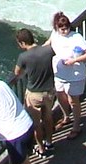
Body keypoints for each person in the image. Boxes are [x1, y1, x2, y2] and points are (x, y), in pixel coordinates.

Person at [46, 11, 86, 138]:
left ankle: (76, 126)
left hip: (74, 74)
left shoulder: (76, 37)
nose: (65, 31)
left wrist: (74, 60)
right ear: (56, 27)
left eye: (66, 28)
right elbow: (47, 44)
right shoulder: (55, 34)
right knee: (60, 96)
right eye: (62, 29)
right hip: (59, 73)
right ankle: (66, 117)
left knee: (73, 100)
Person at [13, 27, 56, 155]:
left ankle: (41, 148)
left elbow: (17, 72)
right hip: (49, 91)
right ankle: (49, 142)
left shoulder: (23, 57)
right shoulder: (48, 50)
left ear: (22, 43)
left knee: (36, 124)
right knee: (48, 118)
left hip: (34, 94)